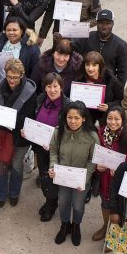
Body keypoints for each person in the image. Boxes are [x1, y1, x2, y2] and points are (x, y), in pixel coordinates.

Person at [49, 101, 98, 246]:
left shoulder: (92, 136)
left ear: (83, 118)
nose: (73, 121)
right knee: (63, 203)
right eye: (69, 117)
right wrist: (53, 167)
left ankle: (76, 226)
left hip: (81, 180)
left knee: (77, 206)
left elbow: (93, 159)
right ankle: (65, 225)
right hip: (62, 177)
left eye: (77, 118)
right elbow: (53, 151)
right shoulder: (59, 131)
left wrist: (85, 178)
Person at [0, 58, 37, 207]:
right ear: (5, 73)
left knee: (16, 165)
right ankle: (1, 194)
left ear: (22, 75)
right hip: (2, 134)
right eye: (9, 76)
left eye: (16, 77)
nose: (12, 80)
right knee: (0, 163)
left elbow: (29, 117)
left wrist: (7, 118)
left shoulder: (29, 92)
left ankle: (14, 192)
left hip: (19, 136)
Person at [92, 106, 127, 241]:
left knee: (117, 209)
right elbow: (94, 153)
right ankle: (105, 226)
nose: (113, 122)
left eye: (117, 119)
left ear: (122, 120)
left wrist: (121, 169)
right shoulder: (100, 132)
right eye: (110, 118)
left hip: (120, 181)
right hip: (103, 178)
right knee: (105, 204)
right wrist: (96, 166)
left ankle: (114, 234)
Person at [34, 73, 71, 222]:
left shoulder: (68, 105)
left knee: (53, 178)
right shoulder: (40, 100)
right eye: (49, 86)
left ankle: (51, 205)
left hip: (58, 150)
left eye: (55, 86)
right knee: (44, 176)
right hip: (41, 147)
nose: (52, 90)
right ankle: (49, 200)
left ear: (61, 87)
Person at [72, 9, 127, 87]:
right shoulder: (86, 37)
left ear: (113, 24)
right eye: (101, 23)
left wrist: (118, 89)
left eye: (108, 23)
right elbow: (69, 49)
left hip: (108, 85)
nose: (104, 26)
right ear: (96, 23)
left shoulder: (120, 45)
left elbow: (122, 72)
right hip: (85, 83)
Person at [78, 51, 123, 125]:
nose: (90, 68)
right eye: (87, 65)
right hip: (85, 121)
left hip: (104, 120)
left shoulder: (111, 80)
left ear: (100, 66)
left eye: (94, 65)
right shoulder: (80, 80)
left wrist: (109, 106)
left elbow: (120, 100)